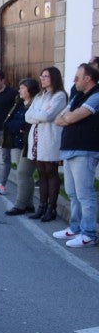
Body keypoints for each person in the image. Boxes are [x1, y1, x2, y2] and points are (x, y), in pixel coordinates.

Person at [53, 63, 99, 248]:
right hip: (70, 149)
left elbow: (70, 118)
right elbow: (58, 118)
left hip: (85, 150)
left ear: (88, 78)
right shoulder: (78, 96)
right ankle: (75, 228)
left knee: (85, 194)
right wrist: (67, 117)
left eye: (77, 77)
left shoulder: (96, 96)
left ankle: (89, 234)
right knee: (72, 193)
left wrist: (68, 118)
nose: (73, 80)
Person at [25, 67, 68, 222]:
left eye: (46, 76)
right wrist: (40, 115)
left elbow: (48, 116)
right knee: (41, 173)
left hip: (50, 138)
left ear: (53, 78)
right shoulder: (39, 96)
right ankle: (41, 207)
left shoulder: (59, 96)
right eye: (41, 76)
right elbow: (27, 116)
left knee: (51, 172)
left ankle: (52, 208)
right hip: (37, 138)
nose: (42, 79)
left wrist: (38, 115)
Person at [3, 78, 38, 216]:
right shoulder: (19, 103)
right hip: (19, 142)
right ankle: (29, 204)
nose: (19, 90)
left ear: (30, 89)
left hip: (30, 142)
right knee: (24, 174)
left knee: (23, 172)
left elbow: (28, 123)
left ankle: (19, 205)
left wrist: (20, 126)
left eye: (22, 87)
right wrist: (19, 127)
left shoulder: (35, 104)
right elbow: (10, 122)